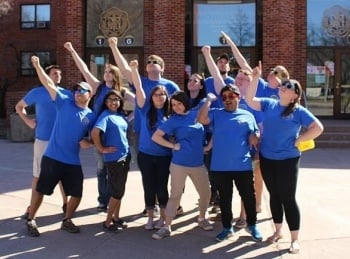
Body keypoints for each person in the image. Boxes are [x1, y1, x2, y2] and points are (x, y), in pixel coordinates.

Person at [246, 66, 324, 253]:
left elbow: (318, 128)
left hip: (288, 160)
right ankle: (278, 231)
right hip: (267, 157)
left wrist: (299, 140)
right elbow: (249, 100)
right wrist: (255, 78)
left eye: (288, 85)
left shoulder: (298, 111)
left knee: (288, 197)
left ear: (294, 95)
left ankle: (294, 239)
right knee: (275, 195)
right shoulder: (269, 103)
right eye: (283, 84)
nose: (283, 85)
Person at [108, 37, 180, 215]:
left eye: (155, 62)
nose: (151, 63)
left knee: (166, 173)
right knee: (148, 172)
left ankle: (170, 204)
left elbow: (179, 107)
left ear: (162, 68)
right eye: (148, 62)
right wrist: (114, 47)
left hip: (166, 134)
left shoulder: (170, 86)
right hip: (143, 133)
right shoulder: (141, 81)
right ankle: (151, 205)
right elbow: (124, 69)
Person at [25, 56, 96, 237]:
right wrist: (37, 66)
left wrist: (93, 143)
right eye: (77, 90)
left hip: (72, 161)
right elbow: (48, 83)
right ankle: (31, 219)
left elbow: (86, 140)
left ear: (90, 95)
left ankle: (67, 220)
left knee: (77, 194)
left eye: (83, 90)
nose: (79, 92)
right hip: (53, 157)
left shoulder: (91, 115)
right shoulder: (64, 102)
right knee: (41, 190)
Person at [64, 42, 134, 212]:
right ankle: (103, 200)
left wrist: (128, 118)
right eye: (105, 72)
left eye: (110, 71)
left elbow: (141, 103)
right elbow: (84, 70)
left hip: (115, 135)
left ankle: (113, 199)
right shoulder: (98, 87)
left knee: (114, 169)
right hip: (98, 133)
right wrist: (72, 50)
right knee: (102, 168)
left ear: (116, 75)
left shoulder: (122, 92)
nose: (107, 74)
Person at [151, 91, 213, 240]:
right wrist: (173, 145)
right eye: (173, 104)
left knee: (206, 193)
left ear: (185, 102)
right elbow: (156, 137)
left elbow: (215, 128)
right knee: (175, 195)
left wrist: (209, 146)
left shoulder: (196, 115)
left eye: (179, 103)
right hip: (179, 164)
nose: (176, 107)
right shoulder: (173, 120)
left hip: (198, 163)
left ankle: (202, 218)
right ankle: (167, 226)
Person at [220, 31, 265, 228]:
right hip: (236, 146)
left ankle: (245, 213)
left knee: (253, 179)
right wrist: (230, 42)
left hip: (255, 145)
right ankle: (247, 209)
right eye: (236, 77)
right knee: (242, 179)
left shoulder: (257, 92)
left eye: (241, 78)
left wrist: (257, 139)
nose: (237, 80)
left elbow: (261, 124)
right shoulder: (234, 96)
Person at [15, 65, 69, 219]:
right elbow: (19, 106)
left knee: (63, 175)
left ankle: (66, 204)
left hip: (61, 141)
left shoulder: (65, 94)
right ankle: (32, 208)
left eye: (59, 73)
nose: (57, 75)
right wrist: (28, 121)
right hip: (43, 140)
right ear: (46, 76)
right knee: (39, 175)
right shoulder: (36, 93)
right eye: (54, 73)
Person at [130, 59, 172, 230]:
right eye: (156, 94)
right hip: (146, 155)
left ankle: (163, 218)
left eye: (162, 94)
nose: (159, 97)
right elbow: (139, 88)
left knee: (161, 187)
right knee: (148, 186)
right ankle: (149, 217)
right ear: (152, 97)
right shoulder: (145, 108)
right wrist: (134, 69)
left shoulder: (171, 112)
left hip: (164, 157)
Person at [91, 90, 131, 233]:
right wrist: (101, 148)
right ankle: (107, 222)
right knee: (116, 192)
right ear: (105, 103)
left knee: (120, 190)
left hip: (125, 157)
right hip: (114, 159)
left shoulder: (119, 115)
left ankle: (116, 217)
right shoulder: (105, 116)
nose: (114, 102)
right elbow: (95, 132)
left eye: (116, 99)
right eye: (110, 100)